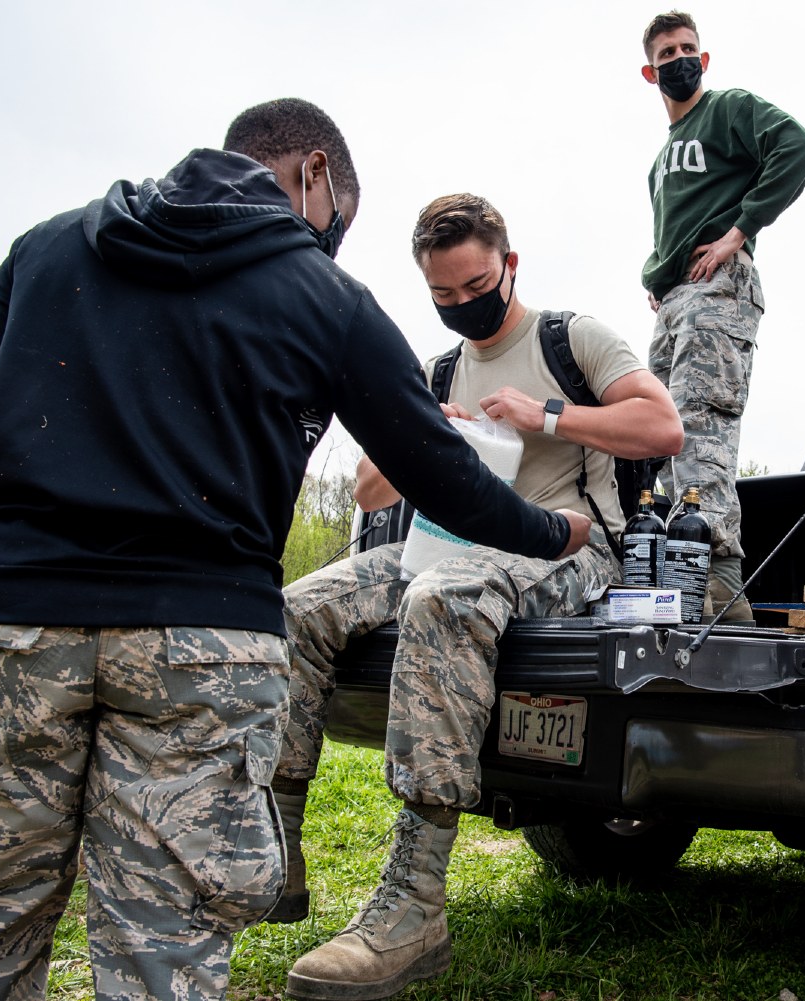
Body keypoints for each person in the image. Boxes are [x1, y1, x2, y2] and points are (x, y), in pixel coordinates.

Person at [0, 100, 592, 1001]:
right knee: (165, 951)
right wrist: (551, 530)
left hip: (4, 628)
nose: (334, 235)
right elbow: (444, 475)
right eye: (341, 212)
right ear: (311, 175)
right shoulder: (324, 296)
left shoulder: (46, 248)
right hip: (199, 647)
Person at [272, 193, 681, 1000]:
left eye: (476, 285)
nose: (464, 305)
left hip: (569, 544)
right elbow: (364, 491)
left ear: (509, 265)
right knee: (299, 605)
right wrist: (426, 429)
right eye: (444, 296)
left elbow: (661, 427)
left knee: (442, 600)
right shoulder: (440, 369)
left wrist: (549, 415)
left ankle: (415, 900)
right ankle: (275, 841)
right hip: (449, 544)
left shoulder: (572, 338)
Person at [639, 10, 805, 620]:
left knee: (698, 426)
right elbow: (672, 226)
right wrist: (658, 277)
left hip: (719, 286)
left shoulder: (727, 108)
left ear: (704, 59)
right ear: (649, 70)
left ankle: (718, 581)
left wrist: (738, 233)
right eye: (667, 53)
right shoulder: (659, 160)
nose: (679, 58)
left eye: (688, 48)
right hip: (676, 298)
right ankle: (670, 562)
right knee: (651, 434)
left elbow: (798, 148)